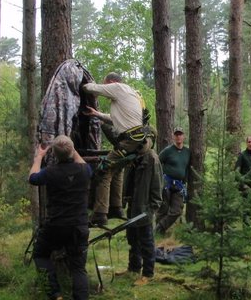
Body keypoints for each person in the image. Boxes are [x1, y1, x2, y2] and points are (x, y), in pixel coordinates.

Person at [82, 71, 151, 226]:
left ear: (112, 82)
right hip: (140, 139)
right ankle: (116, 208)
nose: (106, 88)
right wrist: (96, 114)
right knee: (117, 169)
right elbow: (117, 120)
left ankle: (100, 215)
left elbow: (92, 88)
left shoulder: (118, 88)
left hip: (130, 141)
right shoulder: (132, 94)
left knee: (103, 170)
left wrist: (81, 84)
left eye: (106, 84)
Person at [28, 135, 92, 300]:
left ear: (54, 155)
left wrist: (39, 157)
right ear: (72, 151)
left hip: (56, 226)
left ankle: (55, 294)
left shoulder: (50, 172)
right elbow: (81, 162)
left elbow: (33, 178)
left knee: (40, 255)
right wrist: (70, 147)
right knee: (78, 268)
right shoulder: (85, 171)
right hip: (79, 226)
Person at [122, 141, 164, 286]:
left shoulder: (152, 158)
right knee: (132, 239)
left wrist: (151, 209)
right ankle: (133, 268)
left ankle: (148, 273)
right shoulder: (133, 156)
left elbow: (157, 188)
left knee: (146, 242)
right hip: (132, 205)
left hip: (144, 208)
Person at [156, 127, 191, 235]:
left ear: (183, 136)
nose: (178, 137)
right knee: (163, 208)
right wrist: (160, 178)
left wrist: (185, 181)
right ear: (173, 136)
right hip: (167, 183)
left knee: (177, 211)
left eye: (180, 134)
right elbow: (157, 162)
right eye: (176, 135)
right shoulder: (168, 151)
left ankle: (158, 227)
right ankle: (159, 233)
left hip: (179, 185)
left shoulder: (187, 152)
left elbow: (187, 168)